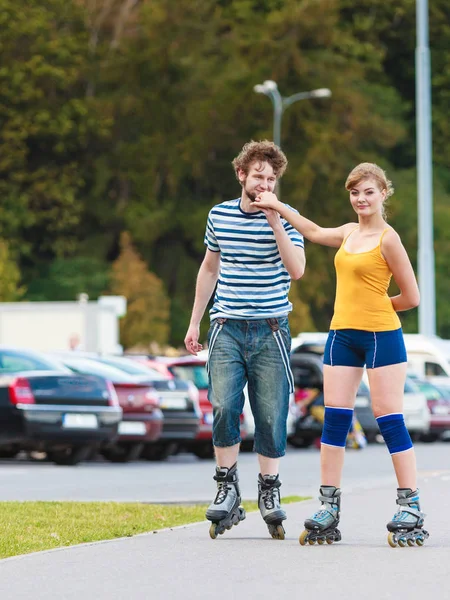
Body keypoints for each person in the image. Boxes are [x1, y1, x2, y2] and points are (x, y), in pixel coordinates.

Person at [252, 162, 429, 547]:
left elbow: (412, 297)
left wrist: (378, 309)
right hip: (341, 336)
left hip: (382, 336)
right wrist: (278, 207)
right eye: (354, 192)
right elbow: (313, 232)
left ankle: (410, 504)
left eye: (368, 192)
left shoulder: (388, 238)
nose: (361, 199)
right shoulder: (349, 233)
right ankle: (328, 505)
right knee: (334, 419)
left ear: (384, 193)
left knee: (389, 418)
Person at [184, 140, 306, 540]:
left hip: (271, 329)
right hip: (227, 326)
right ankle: (226, 485)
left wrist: (275, 220)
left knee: (271, 413)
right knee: (223, 405)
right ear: (242, 175)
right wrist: (194, 322)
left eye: (271, 179)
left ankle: (269, 490)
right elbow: (209, 268)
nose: (264, 184)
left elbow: (298, 269)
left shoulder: (287, 219)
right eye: (258, 176)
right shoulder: (219, 215)